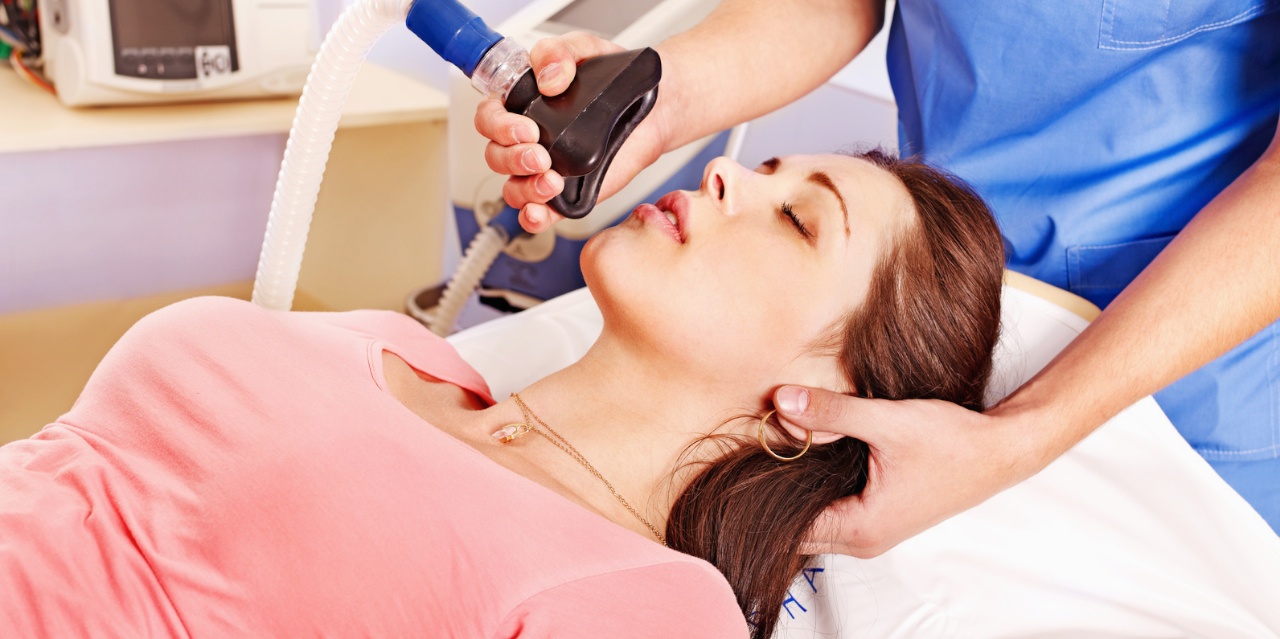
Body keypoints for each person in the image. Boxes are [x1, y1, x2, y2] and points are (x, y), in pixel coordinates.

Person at [0, 151, 1003, 638]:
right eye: (766, 164)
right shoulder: (404, 350)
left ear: (833, 393)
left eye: (795, 220)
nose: (731, 170)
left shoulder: (651, 607)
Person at [474, 0, 1280, 546]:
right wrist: (661, 104)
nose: (724, 177)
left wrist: (1022, 432)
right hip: (924, 300)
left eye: (797, 216)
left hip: (1184, 375)